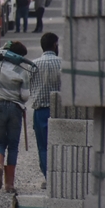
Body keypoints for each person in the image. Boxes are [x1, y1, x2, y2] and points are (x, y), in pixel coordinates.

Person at [0, 40, 33, 193]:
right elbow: (25, 96)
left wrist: (2, 49)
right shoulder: (22, 71)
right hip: (15, 108)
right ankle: (9, 184)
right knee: (12, 145)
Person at [31, 32, 62, 189]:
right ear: (55, 45)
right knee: (60, 145)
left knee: (43, 146)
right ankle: (61, 176)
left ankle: (48, 177)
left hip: (40, 111)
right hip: (60, 111)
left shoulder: (34, 65)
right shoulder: (63, 64)